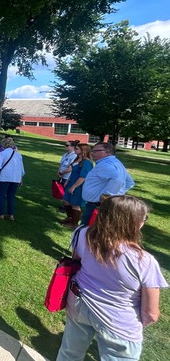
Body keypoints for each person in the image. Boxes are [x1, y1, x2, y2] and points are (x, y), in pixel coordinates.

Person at [56, 195, 168, 361]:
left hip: (79, 301)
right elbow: (150, 313)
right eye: (144, 218)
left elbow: (77, 261)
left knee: (69, 353)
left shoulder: (82, 233)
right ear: (134, 222)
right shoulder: (144, 261)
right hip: (119, 321)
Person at [81, 142, 135, 226]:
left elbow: (118, 180)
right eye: (92, 151)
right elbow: (129, 182)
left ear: (106, 152)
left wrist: (106, 197)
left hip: (97, 206)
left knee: (87, 232)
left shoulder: (106, 164)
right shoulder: (116, 162)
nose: (92, 153)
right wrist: (117, 195)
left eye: (96, 151)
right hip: (103, 205)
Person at [60, 144, 94, 228]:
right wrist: (68, 181)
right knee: (66, 201)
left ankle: (74, 223)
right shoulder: (77, 159)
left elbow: (83, 177)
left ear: (83, 150)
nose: (75, 150)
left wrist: (74, 186)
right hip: (71, 182)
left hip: (78, 185)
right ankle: (69, 217)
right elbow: (73, 172)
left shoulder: (87, 162)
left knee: (75, 203)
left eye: (77, 149)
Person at [0, 137, 25, 221]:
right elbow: (21, 169)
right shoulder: (18, 155)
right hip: (15, 178)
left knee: (1, 195)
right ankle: (11, 214)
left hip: (5, 177)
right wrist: (20, 179)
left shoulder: (3, 154)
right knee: (11, 196)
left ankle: (1, 214)